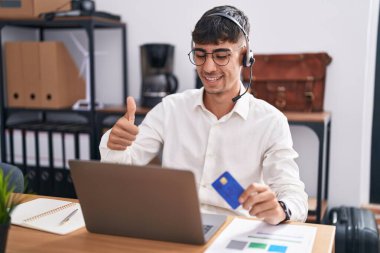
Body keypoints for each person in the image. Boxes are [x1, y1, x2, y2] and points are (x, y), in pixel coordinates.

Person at [100, 5, 308, 225]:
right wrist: (116, 145)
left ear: (245, 57)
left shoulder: (270, 121)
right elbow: (123, 167)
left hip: (236, 230)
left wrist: (281, 209)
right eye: (200, 55)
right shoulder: (171, 108)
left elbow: (293, 192)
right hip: (176, 225)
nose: (208, 68)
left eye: (221, 56)